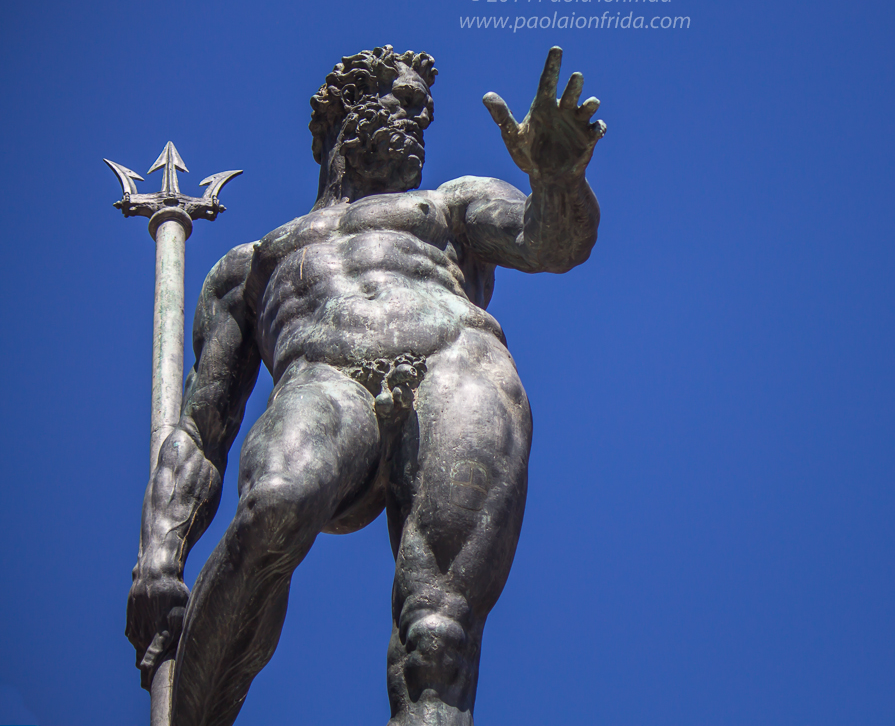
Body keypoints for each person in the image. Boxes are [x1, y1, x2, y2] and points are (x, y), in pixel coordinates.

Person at [125, 45, 605, 726]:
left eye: (426, 110)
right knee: (274, 505)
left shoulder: (451, 206)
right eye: (404, 101)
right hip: (321, 379)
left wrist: (560, 179)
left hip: (456, 365)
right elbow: (203, 433)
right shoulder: (250, 267)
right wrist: (157, 557)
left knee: (437, 632)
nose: (420, 118)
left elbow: (550, 241)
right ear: (347, 112)